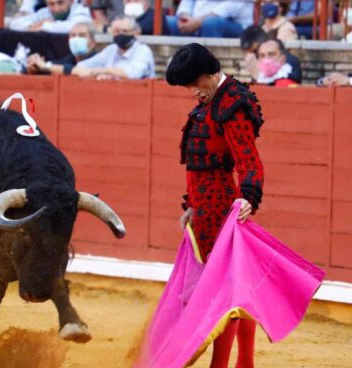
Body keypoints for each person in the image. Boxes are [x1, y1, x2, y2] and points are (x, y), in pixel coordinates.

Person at [169, 43, 264, 367]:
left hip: (224, 209)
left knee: (226, 292)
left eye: (196, 84)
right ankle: (244, 362)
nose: (194, 91)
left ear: (211, 73)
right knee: (237, 286)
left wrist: (248, 198)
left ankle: (223, 364)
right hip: (205, 212)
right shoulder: (212, 101)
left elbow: (249, 161)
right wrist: (192, 206)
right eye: (189, 87)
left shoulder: (233, 103)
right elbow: (201, 164)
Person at [72, 15, 154, 79]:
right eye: (116, 31)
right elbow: (84, 65)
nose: (121, 34)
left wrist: (104, 71)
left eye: (125, 31)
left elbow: (133, 74)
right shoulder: (111, 49)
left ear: (136, 33)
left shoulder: (143, 50)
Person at [26, 22, 97, 75]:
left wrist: (45, 66)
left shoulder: (98, 58)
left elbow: (75, 69)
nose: (76, 39)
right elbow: (57, 65)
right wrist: (36, 65)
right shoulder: (71, 58)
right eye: (73, 35)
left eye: (81, 35)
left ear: (92, 42)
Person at [166, 0, 253, 38]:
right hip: (195, 21)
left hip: (234, 24)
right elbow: (187, 3)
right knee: (167, 22)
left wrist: (199, 21)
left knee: (210, 24)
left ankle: (209, 71)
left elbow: (231, 7)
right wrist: (185, 17)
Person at [9, 0, 91, 33]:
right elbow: (14, 24)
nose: (56, 8)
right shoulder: (45, 12)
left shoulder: (81, 10)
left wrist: (45, 26)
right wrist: (30, 25)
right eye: (51, 4)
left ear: (71, 1)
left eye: (60, 2)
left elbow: (73, 27)